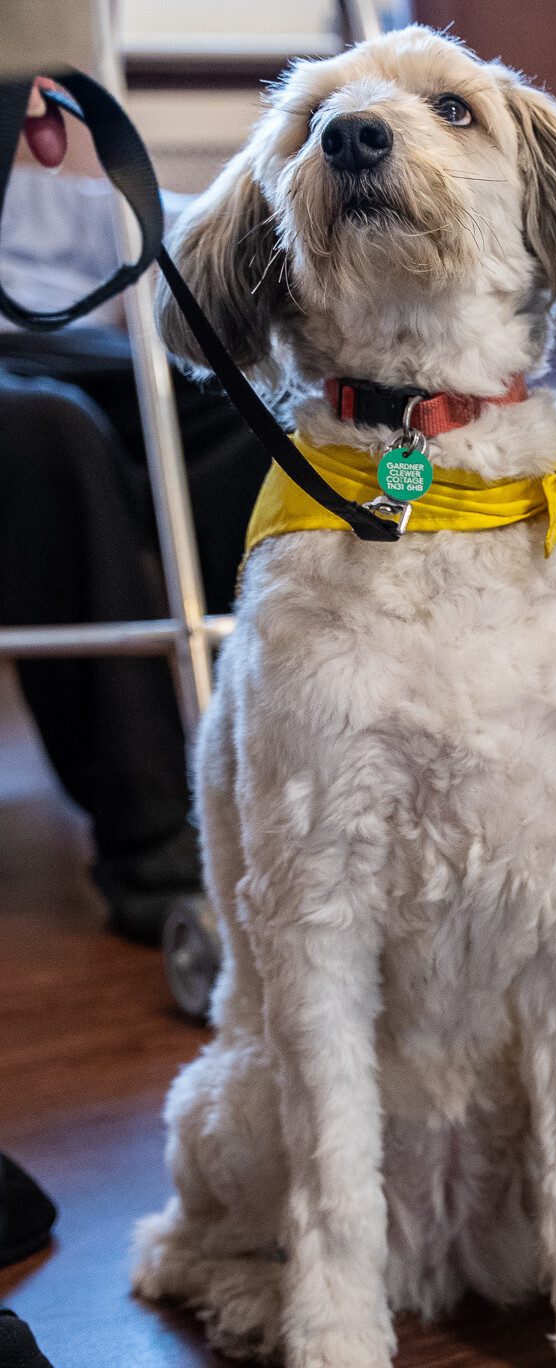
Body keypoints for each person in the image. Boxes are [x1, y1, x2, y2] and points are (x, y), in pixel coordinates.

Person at [1, 81, 267, 943]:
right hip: (27, 388)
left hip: (65, 332)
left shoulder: (39, 186)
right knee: (47, 436)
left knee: (253, 409)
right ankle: (160, 853)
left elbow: (164, 233)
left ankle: (287, 788)